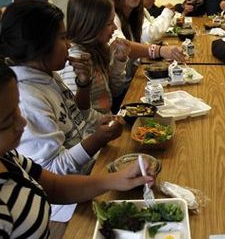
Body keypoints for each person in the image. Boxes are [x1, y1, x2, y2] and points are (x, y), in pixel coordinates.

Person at [0, 0, 124, 221]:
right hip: (67, 208)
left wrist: (84, 84)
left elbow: (80, 117)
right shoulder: (28, 98)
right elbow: (53, 172)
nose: (68, 45)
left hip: (89, 172)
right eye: (62, 37)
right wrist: (97, 139)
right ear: (40, 45)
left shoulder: (47, 74)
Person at [0, 61, 154, 238]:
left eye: (17, 110)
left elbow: (54, 186)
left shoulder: (8, 157)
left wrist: (114, 180)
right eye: (7, 121)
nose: (23, 122)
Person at [61, 0, 130, 114]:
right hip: (95, 129)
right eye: (109, 23)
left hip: (105, 120)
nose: (114, 28)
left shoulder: (97, 50)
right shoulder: (76, 62)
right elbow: (77, 116)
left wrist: (119, 61)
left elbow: (114, 92)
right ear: (90, 26)